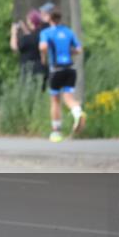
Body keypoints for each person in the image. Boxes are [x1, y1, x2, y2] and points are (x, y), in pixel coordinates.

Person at [39, 8, 86, 142]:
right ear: (60, 19)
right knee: (69, 97)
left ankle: (56, 132)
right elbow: (78, 49)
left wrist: (44, 55)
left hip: (56, 70)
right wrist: (67, 52)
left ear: (49, 19)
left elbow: (42, 47)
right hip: (70, 69)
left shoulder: (46, 32)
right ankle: (77, 111)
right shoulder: (68, 32)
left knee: (55, 100)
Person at [10, 9, 47, 88]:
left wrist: (13, 32)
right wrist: (25, 29)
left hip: (28, 71)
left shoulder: (26, 39)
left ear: (30, 22)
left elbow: (14, 47)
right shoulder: (42, 34)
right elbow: (31, 38)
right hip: (41, 69)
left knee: (29, 95)